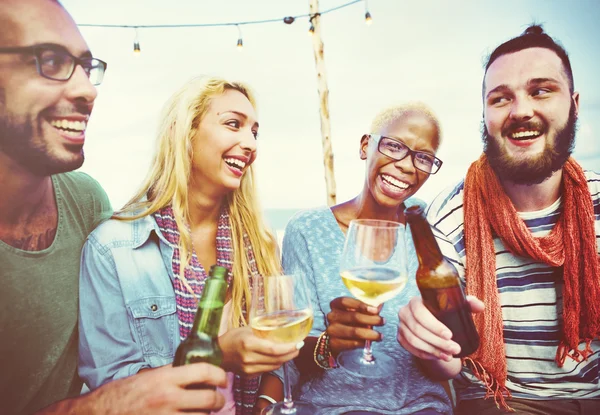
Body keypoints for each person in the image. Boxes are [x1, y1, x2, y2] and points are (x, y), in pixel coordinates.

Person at [0, 1, 229, 414]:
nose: (88, 90)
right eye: (49, 61)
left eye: (87, 68)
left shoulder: (85, 199)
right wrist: (103, 406)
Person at [398, 25, 600, 414]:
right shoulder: (447, 220)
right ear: (485, 115)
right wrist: (428, 341)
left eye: (541, 90)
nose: (521, 110)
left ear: (574, 104)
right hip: (499, 401)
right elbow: (449, 362)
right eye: (501, 98)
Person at [78, 75, 302, 415]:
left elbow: (279, 358)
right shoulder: (114, 248)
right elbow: (113, 388)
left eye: (254, 132)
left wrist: (265, 404)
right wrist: (218, 353)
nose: (250, 144)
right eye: (233, 124)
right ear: (185, 133)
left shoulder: (260, 242)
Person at [255, 104, 453, 415]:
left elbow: (447, 359)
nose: (406, 165)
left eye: (423, 157)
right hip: (332, 407)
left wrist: (435, 341)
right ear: (365, 146)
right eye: (394, 146)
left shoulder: (426, 228)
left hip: (420, 407)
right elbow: (294, 347)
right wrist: (328, 344)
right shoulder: (307, 230)